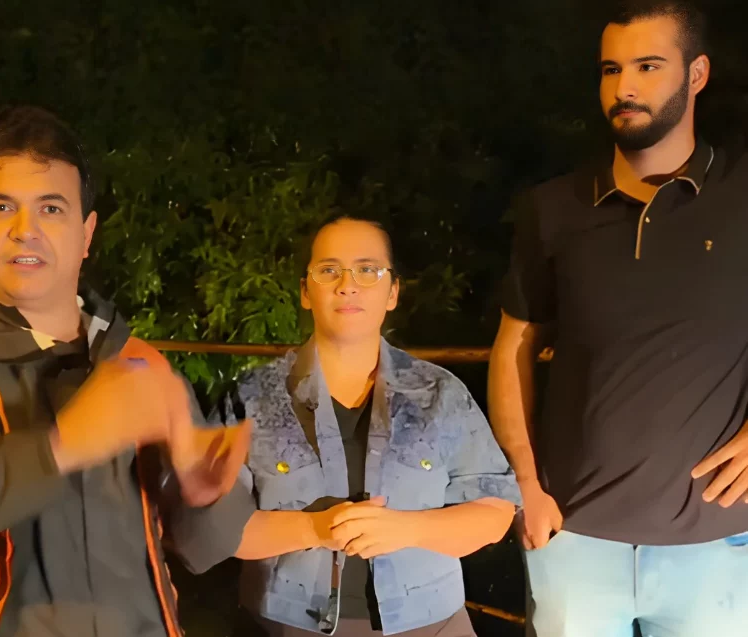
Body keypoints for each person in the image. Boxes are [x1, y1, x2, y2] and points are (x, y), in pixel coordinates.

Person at [0, 105, 255, 637]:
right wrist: (57, 448)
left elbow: (204, 548)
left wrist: (206, 494)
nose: (24, 231)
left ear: (86, 233)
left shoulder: (136, 363)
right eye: (1, 207)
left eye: (51, 208)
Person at [489, 2, 748, 636]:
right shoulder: (552, 209)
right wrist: (524, 484)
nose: (624, 86)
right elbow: (513, 347)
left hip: (717, 545)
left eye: (648, 66)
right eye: (611, 69)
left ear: (697, 74)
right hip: (573, 540)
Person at [214, 216, 521, 637]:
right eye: (329, 270)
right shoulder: (253, 397)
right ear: (305, 291)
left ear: (392, 292)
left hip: (430, 623)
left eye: (368, 270)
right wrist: (316, 529)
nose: (348, 285)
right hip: (283, 625)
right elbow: (218, 525)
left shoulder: (439, 393)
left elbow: (494, 510)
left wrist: (408, 528)